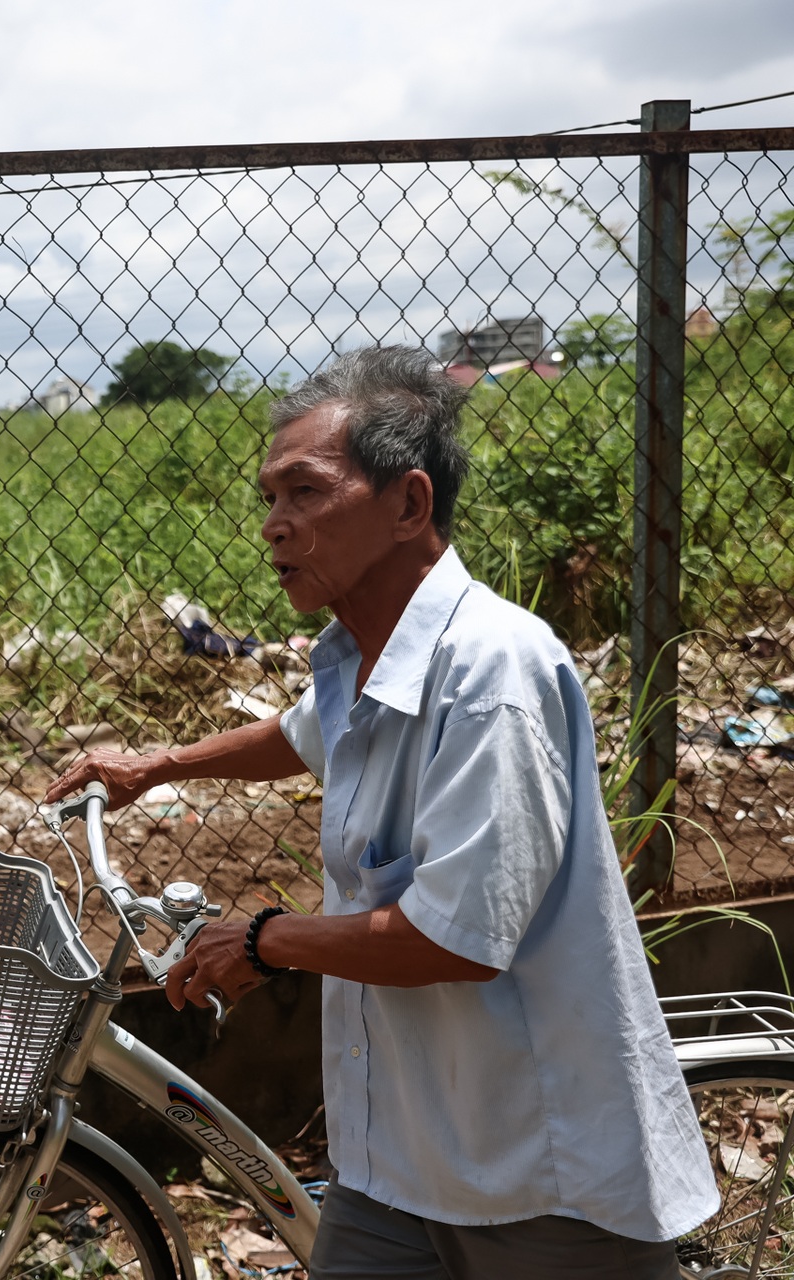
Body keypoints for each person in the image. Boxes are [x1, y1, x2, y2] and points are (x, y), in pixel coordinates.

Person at [45, 345, 715, 1279]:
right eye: (268, 500)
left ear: (408, 504)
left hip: (534, 1165)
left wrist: (265, 938)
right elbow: (302, 733)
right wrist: (156, 766)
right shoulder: (359, 655)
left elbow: (453, 940)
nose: (275, 526)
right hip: (395, 1156)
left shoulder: (491, 676)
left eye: (305, 493)